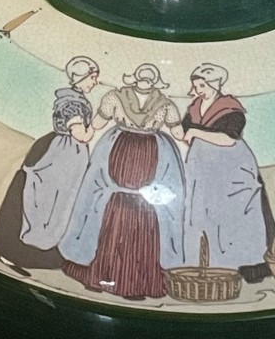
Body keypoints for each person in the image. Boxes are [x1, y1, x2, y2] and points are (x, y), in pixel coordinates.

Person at [60, 63, 185, 300]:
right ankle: (125, 281)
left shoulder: (118, 97)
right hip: (143, 149)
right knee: (126, 212)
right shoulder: (163, 104)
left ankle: (115, 278)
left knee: (123, 211)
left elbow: (98, 123)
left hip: (128, 147)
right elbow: (178, 133)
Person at [0, 56, 101, 271]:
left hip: (64, 154)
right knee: (47, 203)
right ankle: (20, 252)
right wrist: (96, 124)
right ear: (81, 78)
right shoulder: (73, 104)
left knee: (52, 203)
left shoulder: (71, 98)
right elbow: (81, 134)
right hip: (60, 155)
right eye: (92, 78)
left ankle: (25, 250)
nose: (95, 82)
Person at [181, 65, 275, 284]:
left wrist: (196, 132)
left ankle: (250, 267)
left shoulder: (231, 109)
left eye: (202, 85)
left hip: (232, 166)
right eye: (196, 86)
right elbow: (184, 131)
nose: (198, 90)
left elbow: (228, 138)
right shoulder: (195, 107)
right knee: (208, 215)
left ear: (215, 84)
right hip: (203, 167)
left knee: (240, 214)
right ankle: (219, 267)